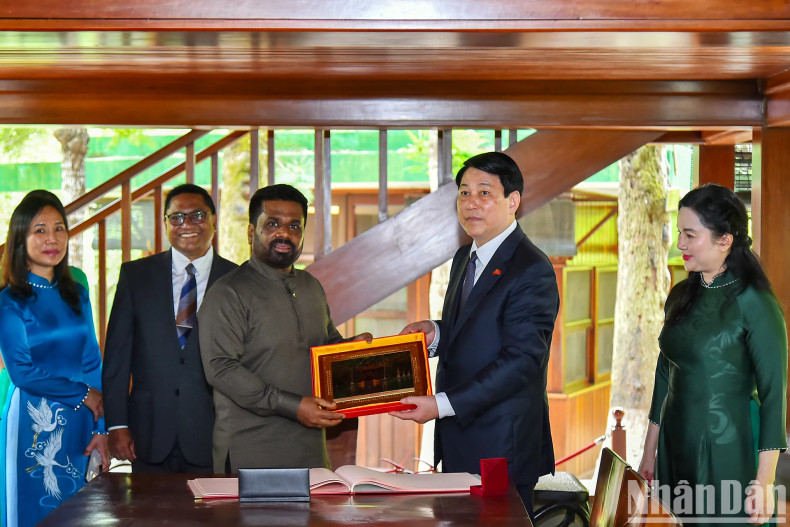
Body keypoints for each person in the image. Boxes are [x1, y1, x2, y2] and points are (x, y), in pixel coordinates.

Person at [390, 152, 559, 517]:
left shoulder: (531, 268)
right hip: (459, 440)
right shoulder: (466, 256)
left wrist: (440, 405)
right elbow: (473, 330)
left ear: (512, 201)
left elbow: (521, 362)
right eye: (464, 193)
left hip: (501, 448)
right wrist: (435, 332)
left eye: (484, 193)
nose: (471, 203)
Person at [638, 183, 787, 526]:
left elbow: (774, 395)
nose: (680, 244)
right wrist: (650, 451)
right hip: (678, 442)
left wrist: (764, 482)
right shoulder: (680, 295)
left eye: (690, 234)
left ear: (724, 240)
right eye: (679, 233)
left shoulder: (756, 303)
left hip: (729, 447)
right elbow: (665, 373)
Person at [199, 184, 371, 473]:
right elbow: (221, 368)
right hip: (251, 454)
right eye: (273, 224)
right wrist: (293, 406)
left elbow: (325, 346)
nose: (284, 233)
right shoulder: (228, 292)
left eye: (294, 226)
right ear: (252, 233)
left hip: (311, 452)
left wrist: (354, 350)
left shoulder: (310, 286)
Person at [102, 183, 236, 473]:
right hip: (147, 435)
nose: (187, 224)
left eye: (197, 215)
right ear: (165, 224)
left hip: (215, 437)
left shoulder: (237, 279)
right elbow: (117, 358)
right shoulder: (135, 276)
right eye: (176, 217)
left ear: (214, 219)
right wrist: (117, 424)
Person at [0, 190, 109, 527]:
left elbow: (92, 360)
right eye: (40, 230)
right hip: (32, 421)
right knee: (32, 514)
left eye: (59, 228)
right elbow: (22, 373)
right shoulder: (9, 301)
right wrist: (84, 396)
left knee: (78, 514)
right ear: (21, 239)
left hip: (81, 422)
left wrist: (102, 427)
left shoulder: (76, 291)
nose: (53, 239)